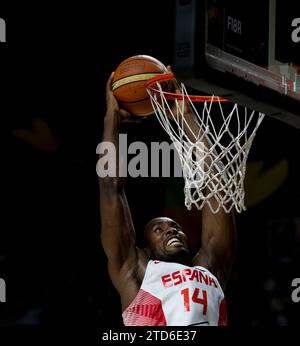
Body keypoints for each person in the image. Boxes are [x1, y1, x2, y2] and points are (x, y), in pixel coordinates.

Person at [99, 71, 236, 326]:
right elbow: (110, 186)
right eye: (158, 229)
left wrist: (185, 117)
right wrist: (112, 120)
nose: (170, 229)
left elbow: (217, 188)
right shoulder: (137, 270)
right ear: (145, 248)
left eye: (175, 227)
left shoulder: (210, 268)